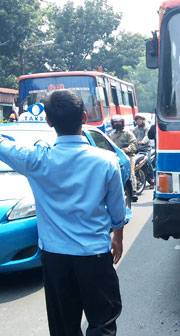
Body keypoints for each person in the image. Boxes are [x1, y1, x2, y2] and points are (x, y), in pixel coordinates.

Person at [0, 90, 126, 336]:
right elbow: (117, 210)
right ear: (85, 116)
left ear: (48, 121)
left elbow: (3, 145)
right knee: (102, 322)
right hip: (94, 256)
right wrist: (118, 237)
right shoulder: (106, 161)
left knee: (63, 327)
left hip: (55, 259)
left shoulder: (37, 159)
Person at [110, 115, 137, 191]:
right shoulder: (111, 135)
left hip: (128, 156)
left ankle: (134, 190)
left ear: (122, 123)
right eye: (115, 122)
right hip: (116, 157)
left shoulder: (128, 133)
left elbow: (134, 143)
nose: (117, 124)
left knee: (131, 172)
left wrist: (127, 149)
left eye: (119, 122)